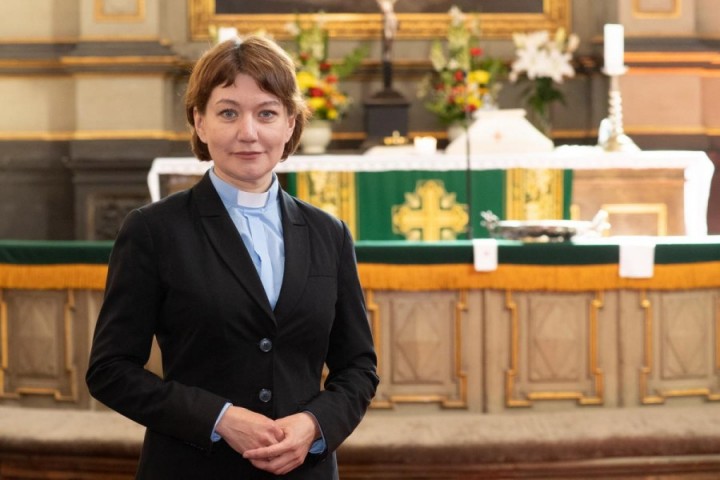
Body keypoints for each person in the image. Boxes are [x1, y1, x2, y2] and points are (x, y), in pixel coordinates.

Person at [86, 35, 379, 479]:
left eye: (266, 113)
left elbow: (358, 367)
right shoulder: (154, 230)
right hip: (191, 467)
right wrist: (219, 418)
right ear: (199, 123)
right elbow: (110, 369)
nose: (249, 132)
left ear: (290, 125)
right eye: (228, 112)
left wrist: (314, 425)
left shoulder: (329, 233)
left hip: (305, 470)